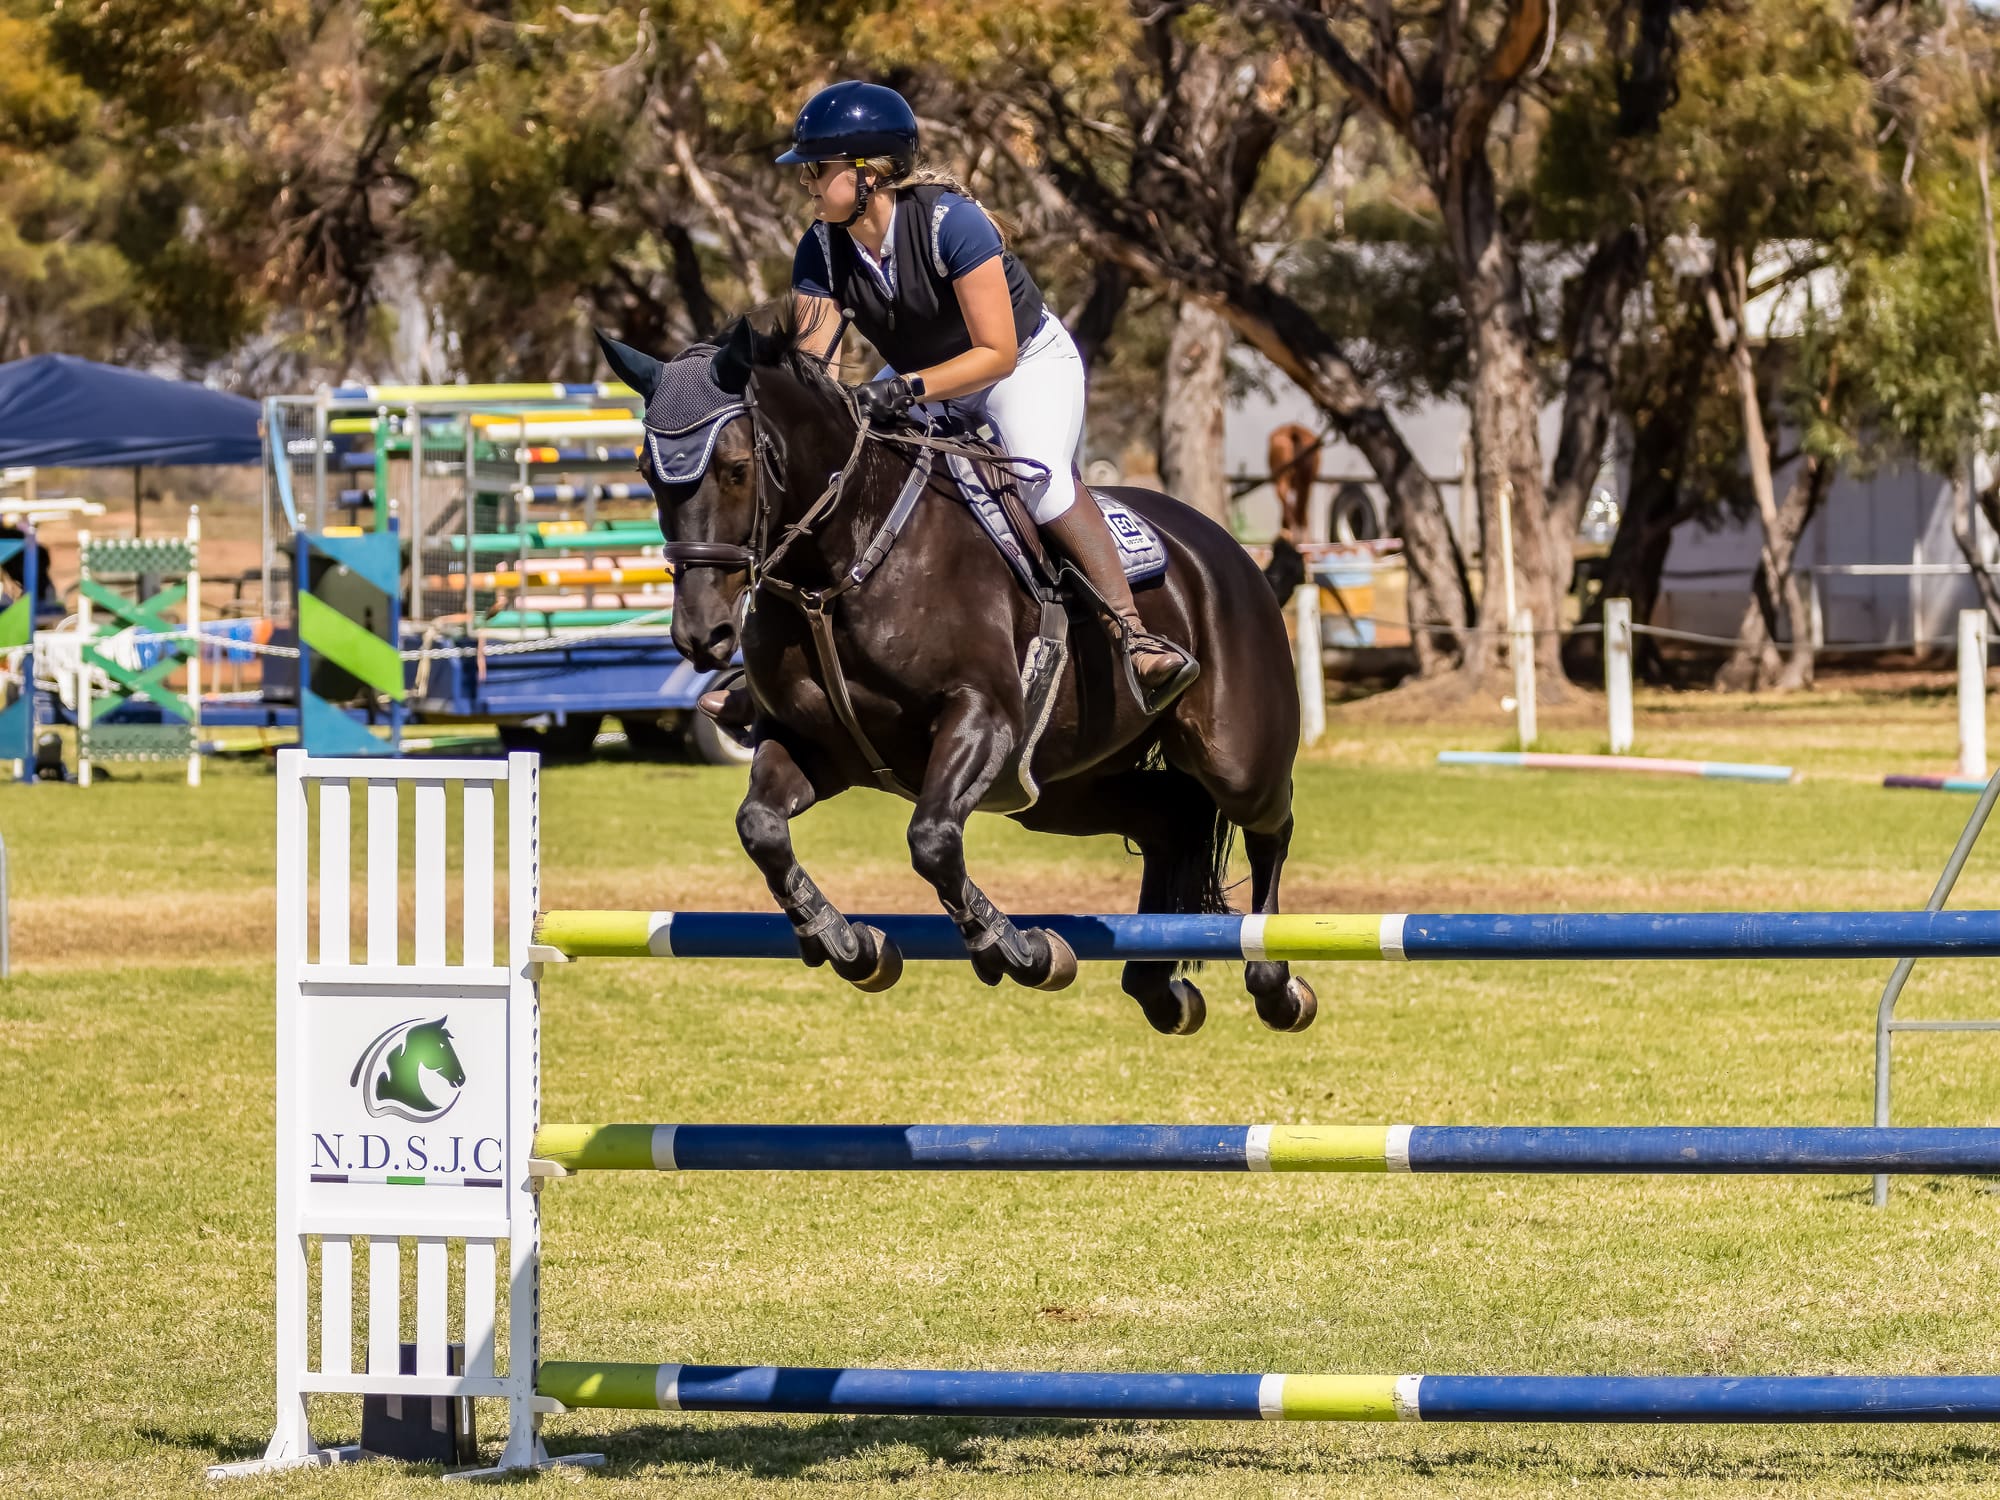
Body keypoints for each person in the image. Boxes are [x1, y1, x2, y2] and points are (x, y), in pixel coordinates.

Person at [703, 80, 1199, 736]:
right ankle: (768, 671)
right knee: (835, 477)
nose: (808, 186)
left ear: (867, 175)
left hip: (1020, 366)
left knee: (1040, 480)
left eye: (817, 172)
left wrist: (904, 389)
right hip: (919, 375)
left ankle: (1135, 638)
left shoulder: (950, 225)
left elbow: (994, 353)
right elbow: (814, 366)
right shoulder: (820, 247)